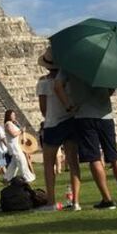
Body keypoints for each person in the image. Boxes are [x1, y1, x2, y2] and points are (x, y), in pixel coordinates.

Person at [56, 70, 117, 210]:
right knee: (114, 155)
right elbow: (112, 86)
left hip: (84, 115)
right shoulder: (101, 63)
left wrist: (68, 105)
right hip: (105, 115)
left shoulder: (71, 64)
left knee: (94, 157)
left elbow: (58, 85)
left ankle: (107, 198)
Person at [36, 49, 80, 209]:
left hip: (52, 124)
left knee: (49, 165)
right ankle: (75, 201)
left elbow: (43, 110)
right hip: (70, 121)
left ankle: (51, 201)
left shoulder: (43, 83)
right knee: (73, 163)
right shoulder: (69, 80)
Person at [3, 110, 36, 183]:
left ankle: (7, 178)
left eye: (14, 115)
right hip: (14, 146)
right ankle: (28, 177)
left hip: (16, 145)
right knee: (21, 161)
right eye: (13, 115)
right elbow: (13, 134)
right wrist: (21, 130)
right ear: (9, 116)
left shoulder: (12, 123)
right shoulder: (8, 124)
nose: (14, 116)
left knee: (14, 163)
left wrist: (21, 131)